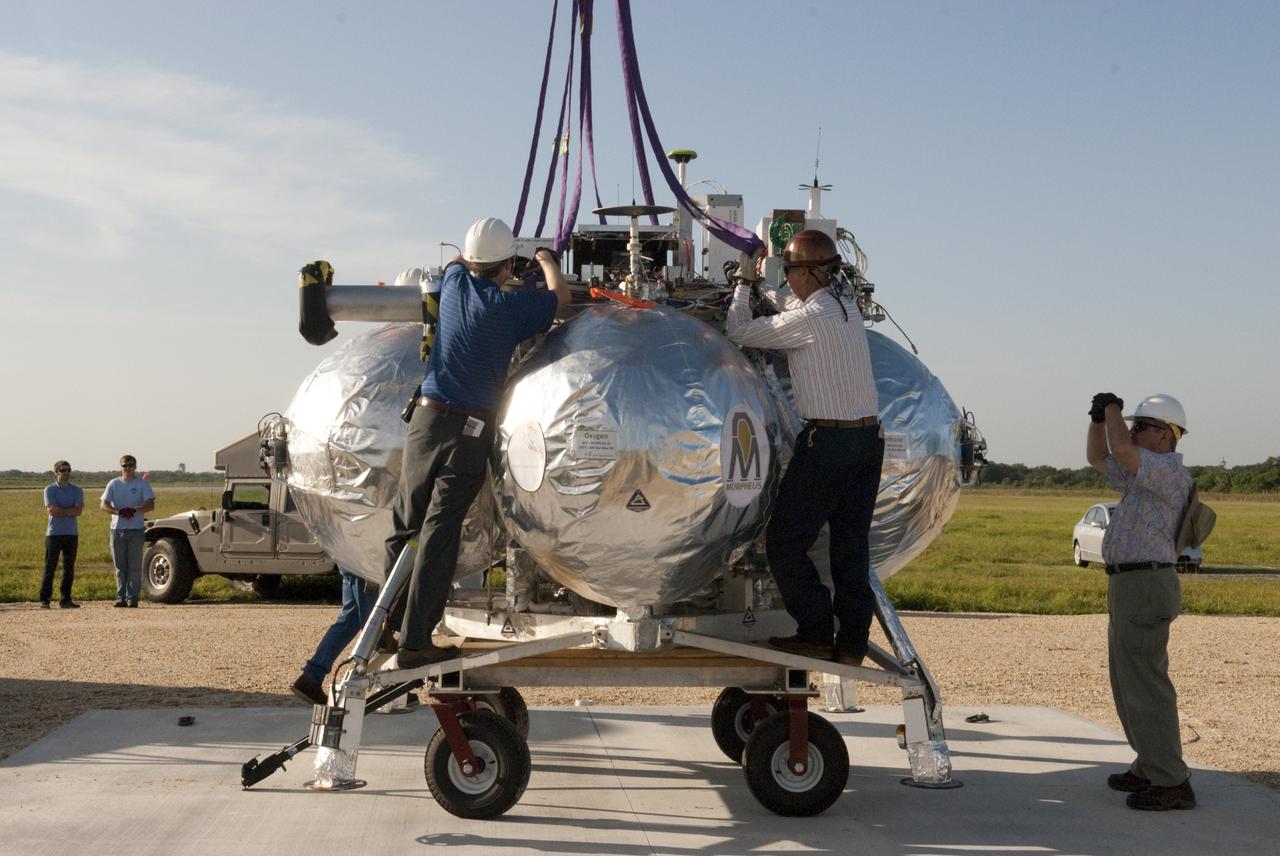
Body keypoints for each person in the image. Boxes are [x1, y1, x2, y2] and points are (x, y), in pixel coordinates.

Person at [385, 218, 569, 669]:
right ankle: (415, 641)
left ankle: (384, 624)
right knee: (439, 530)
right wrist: (545, 261)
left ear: (469, 261)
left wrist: (480, 260)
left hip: (426, 420)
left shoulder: (452, 285)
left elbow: (454, 263)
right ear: (509, 263)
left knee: (405, 520)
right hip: (468, 430)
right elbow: (560, 302)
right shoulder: (509, 310)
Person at [724, 229, 883, 666]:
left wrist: (742, 284)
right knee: (850, 550)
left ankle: (814, 630)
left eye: (790, 271)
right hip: (867, 441)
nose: (788, 279)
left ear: (810, 272)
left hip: (828, 442)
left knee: (785, 542)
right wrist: (766, 286)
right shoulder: (844, 308)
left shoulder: (809, 322)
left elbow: (738, 330)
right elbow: (791, 304)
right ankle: (851, 643)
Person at [1086, 392, 1197, 811]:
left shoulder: (1168, 472)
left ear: (1167, 435)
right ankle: (1149, 764)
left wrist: (1114, 410)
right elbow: (1099, 455)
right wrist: (1098, 419)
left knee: (1146, 685)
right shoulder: (1143, 473)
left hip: (1147, 584)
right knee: (1127, 682)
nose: (1131, 431)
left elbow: (1122, 450)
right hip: (1130, 584)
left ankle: (1171, 781)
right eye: (1133, 424)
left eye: (1142, 425)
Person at [291, 566, 375, 705]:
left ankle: (311, 677)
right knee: (374, 623)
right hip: (362, 560)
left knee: (350, 620)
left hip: (348, 558)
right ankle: (389, 687)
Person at [100, 454, 156, 607]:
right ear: (121, 467)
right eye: (125, 465)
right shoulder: (113, 484)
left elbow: (150, 504)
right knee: (120, 567)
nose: (128, 468)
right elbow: (103, 505)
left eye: (131, 465)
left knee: (134, 566)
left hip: (136, 529)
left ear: (135, 467)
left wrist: (134, 510)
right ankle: (121, 597)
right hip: (117, 529)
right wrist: (117, 512)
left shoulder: (142, 484)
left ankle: (133, 598)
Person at [40, 460, 84, 609]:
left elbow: (78, 511)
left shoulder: (77, 490)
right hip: (54, 534)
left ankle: (65, 599)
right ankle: (45, 599)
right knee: (50, 566)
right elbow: (52, 510)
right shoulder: (49, 490)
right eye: (63, 470)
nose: (66, 473)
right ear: (56, 472)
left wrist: (62, 511)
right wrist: (69, 511)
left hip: (71, 533)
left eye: (68, 470)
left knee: (69, 568)